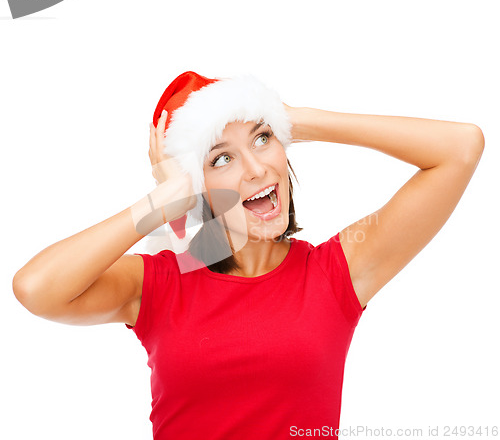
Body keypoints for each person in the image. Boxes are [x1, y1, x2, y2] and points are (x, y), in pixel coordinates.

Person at [12, 70, 484, 440]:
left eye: (263, 138)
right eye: (221, 157)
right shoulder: (158, 284)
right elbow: (36, 289)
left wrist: (299, 120)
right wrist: (164, 202)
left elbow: (461, 148)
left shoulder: (335, 272)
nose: (257, 167)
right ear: (197, 187)